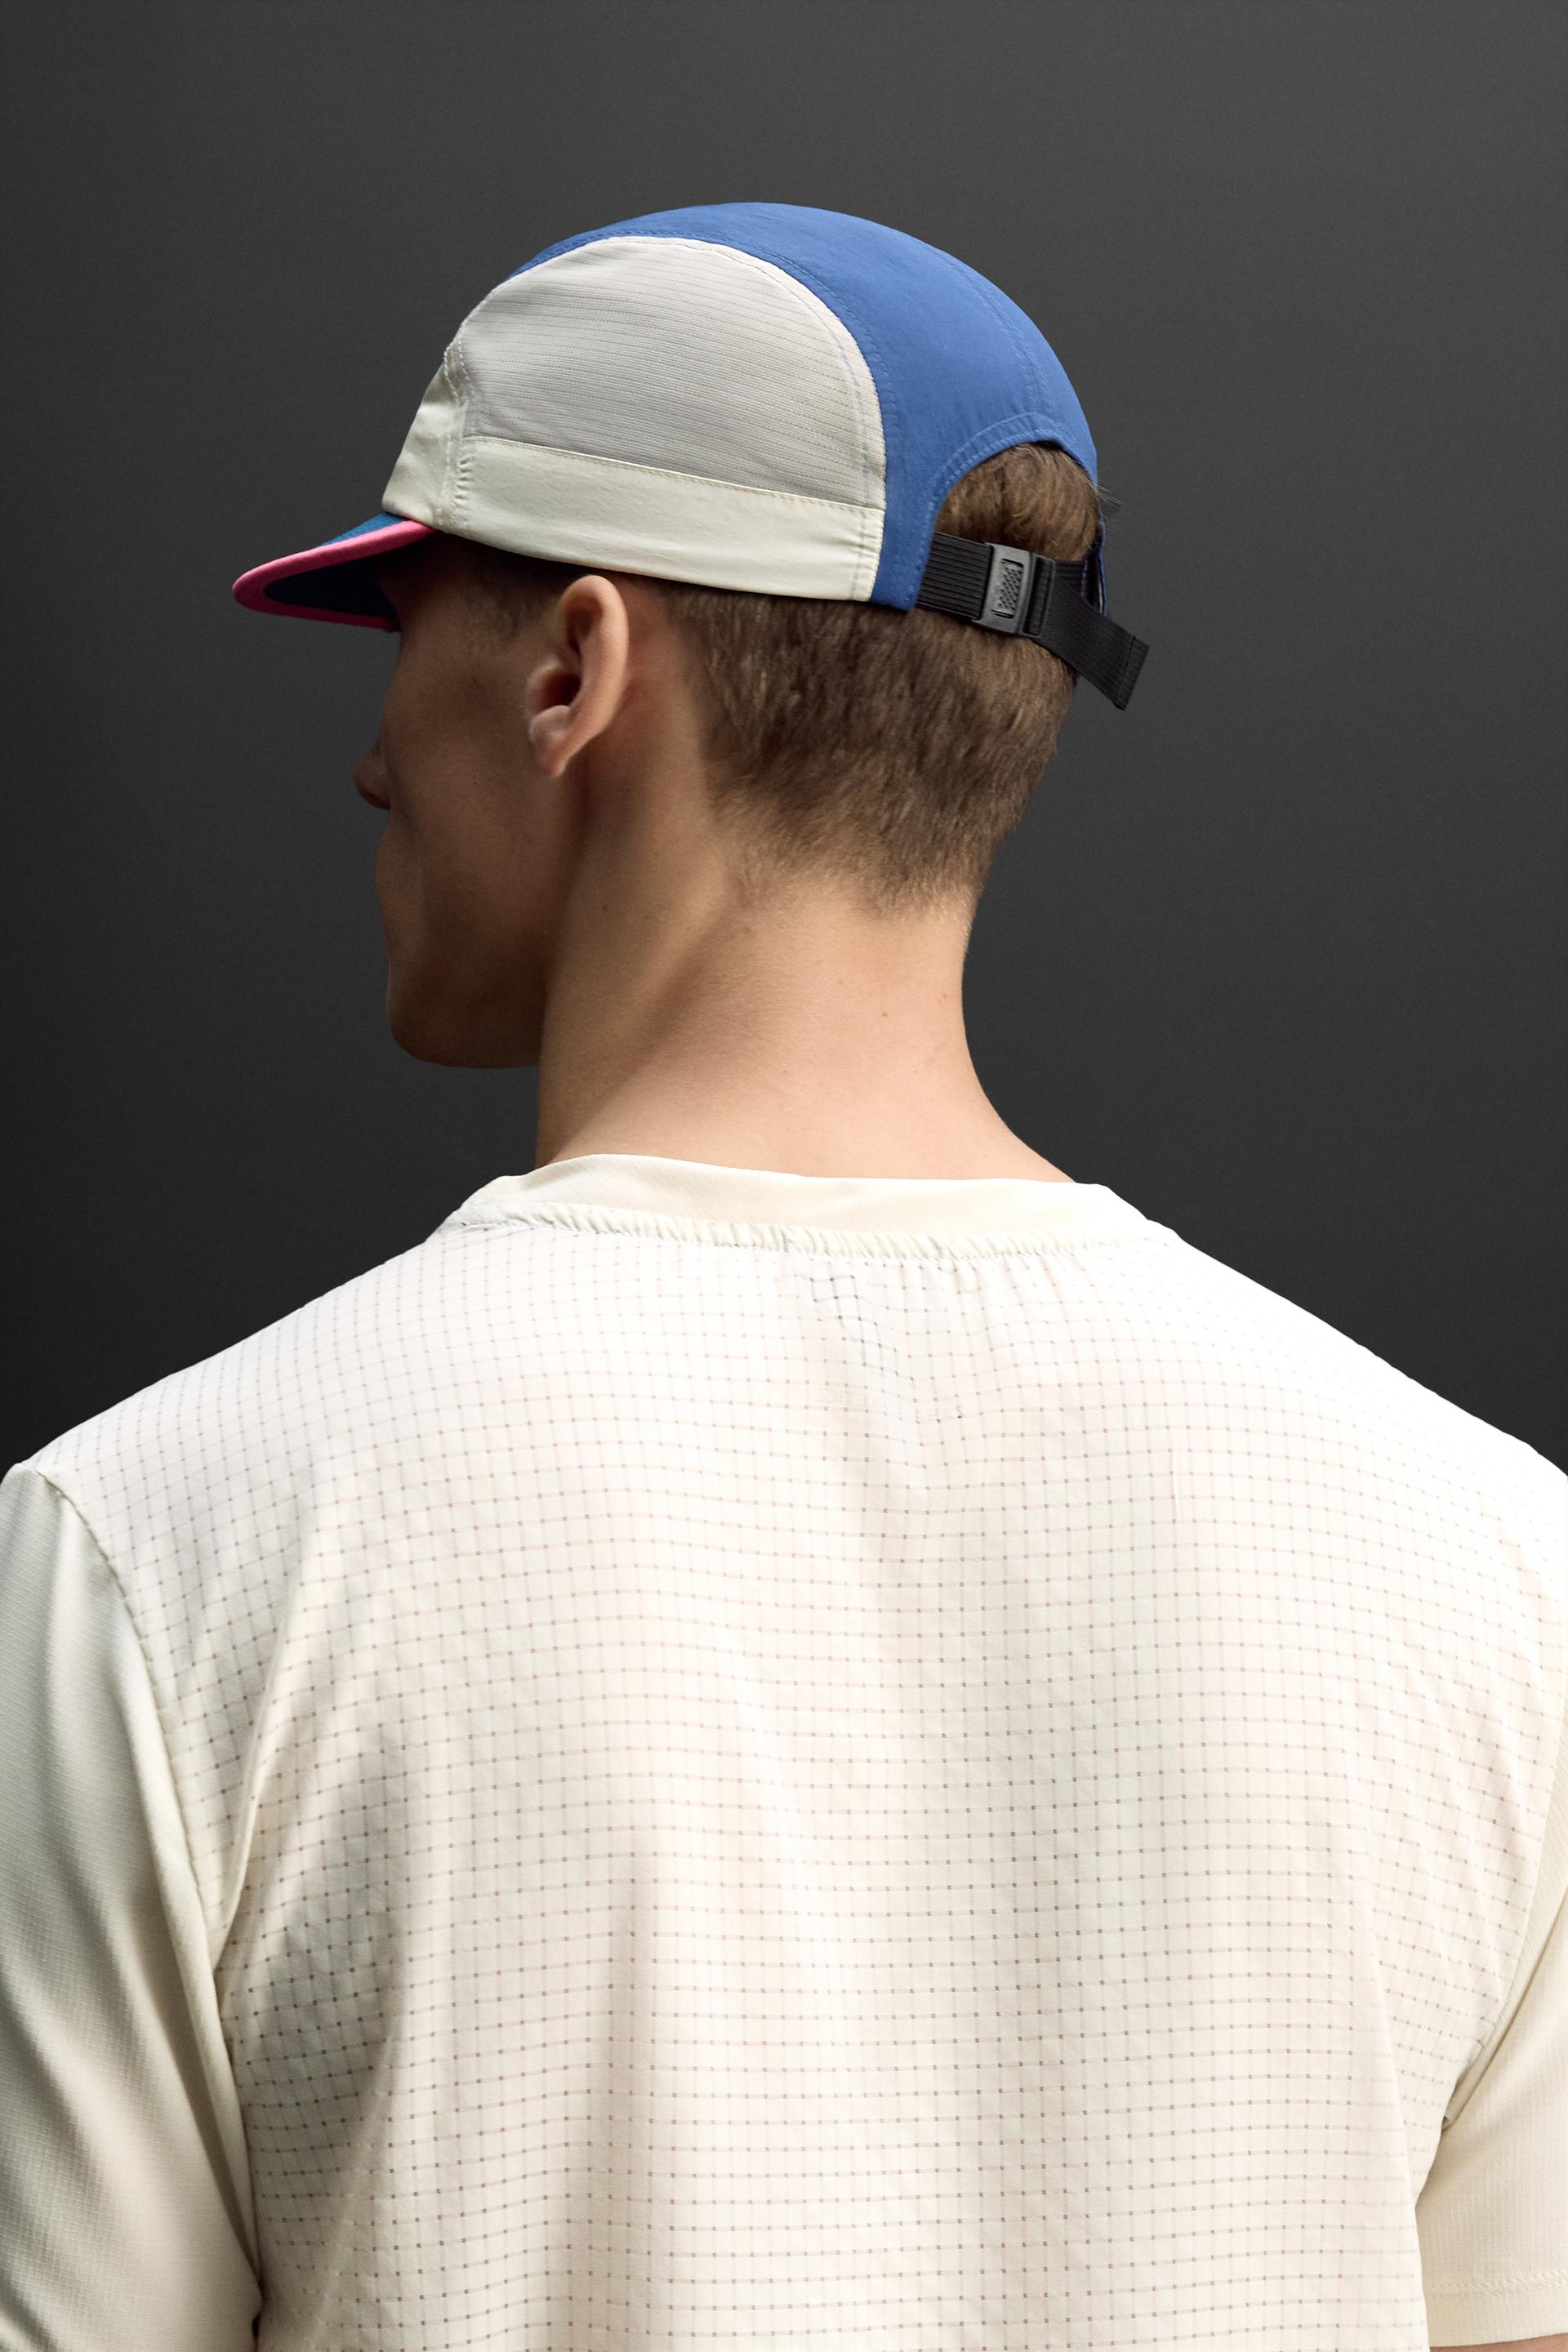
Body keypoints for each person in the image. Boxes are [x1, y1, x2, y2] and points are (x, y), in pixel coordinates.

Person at [0, 202, 1561, 2352]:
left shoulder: (154, 1554)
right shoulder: (1501, 1573)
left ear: (572, 672)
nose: (372, 746)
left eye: (405, 623)